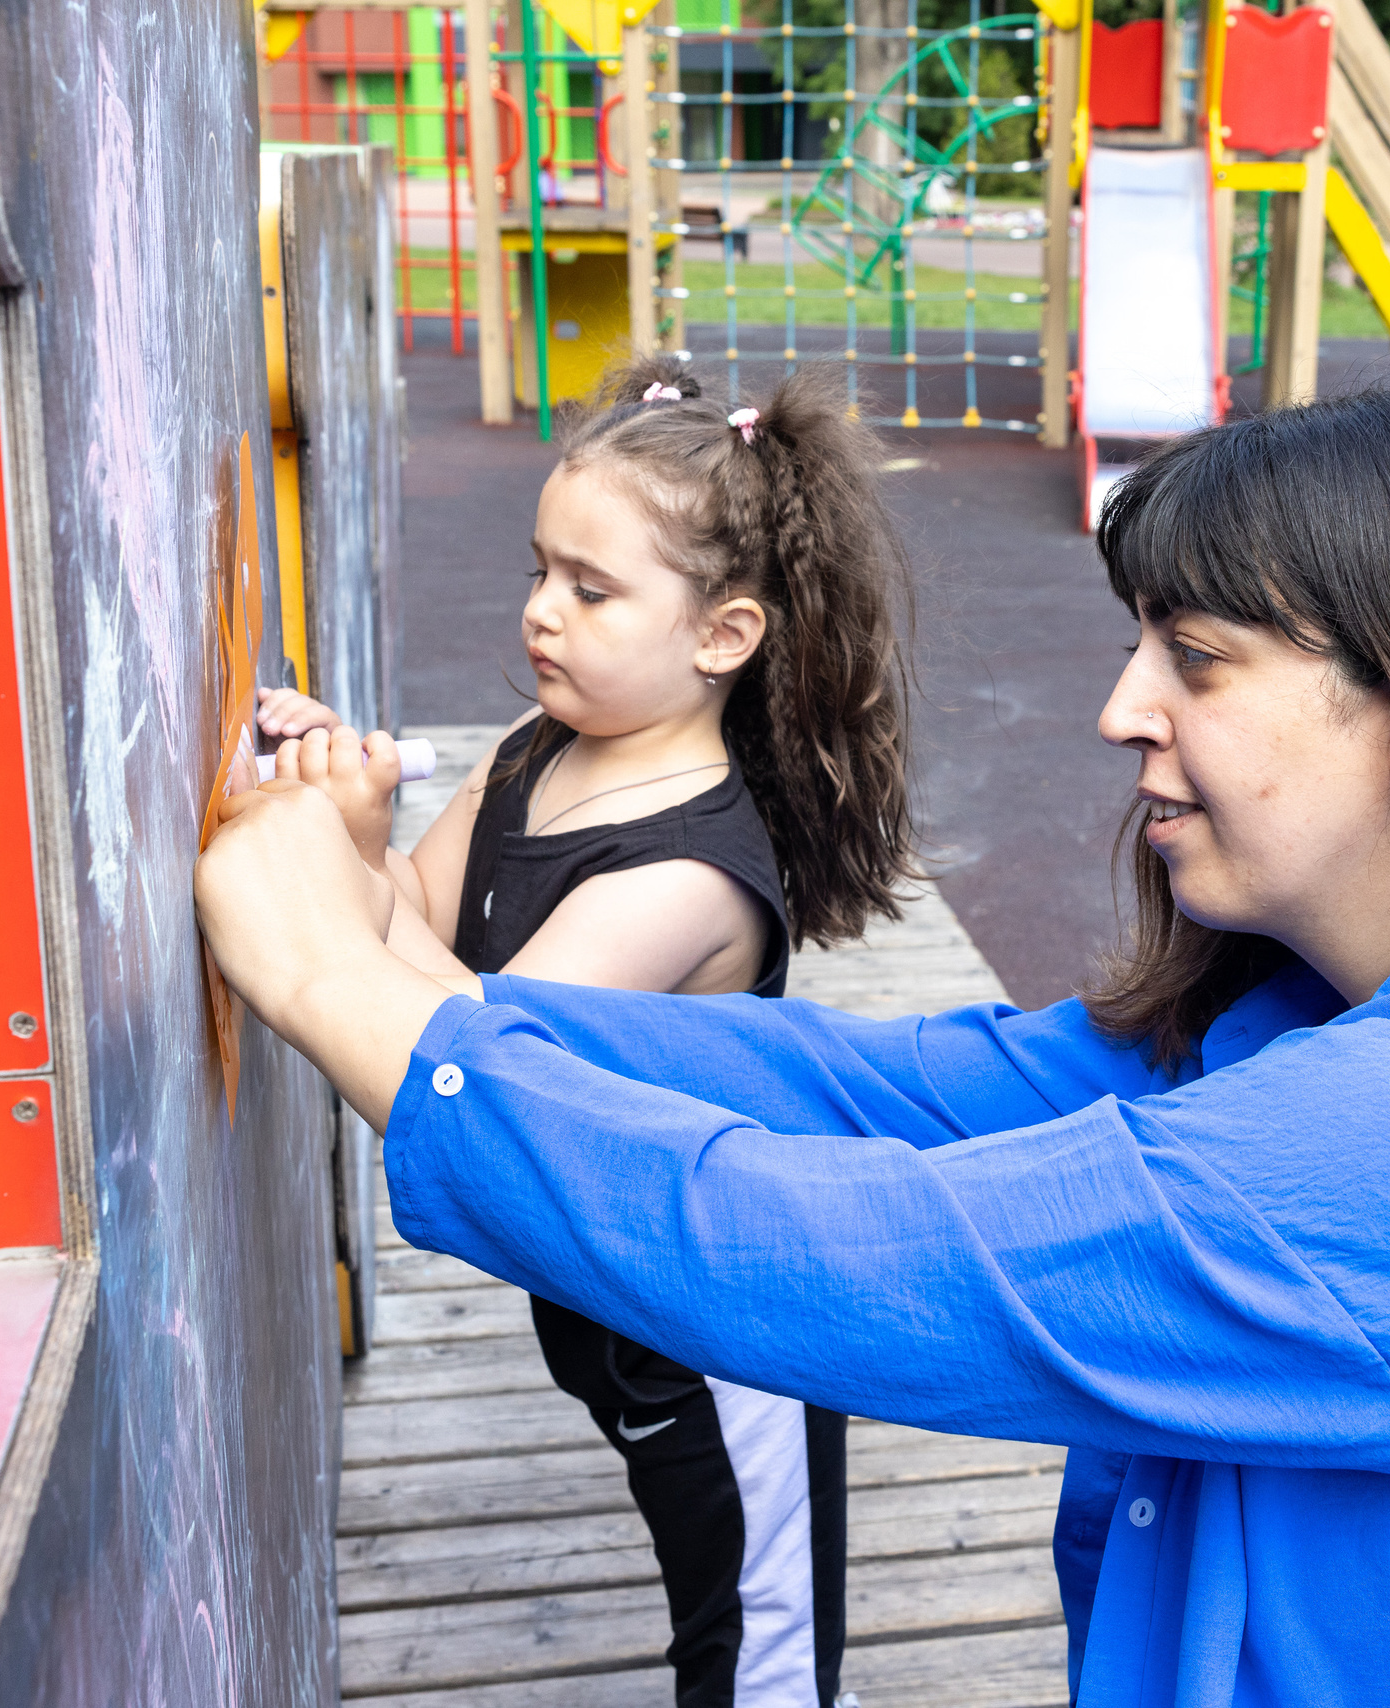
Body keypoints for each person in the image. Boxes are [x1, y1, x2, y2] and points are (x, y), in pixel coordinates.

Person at [197, 392, 1390, 1706]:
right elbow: (883, 1089)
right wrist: (411, 967)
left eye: (1194, 655)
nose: (1125, 706)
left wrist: (345, 995)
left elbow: (854, 1264)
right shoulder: (1347, 1014)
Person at [258, 357, 918, 1708]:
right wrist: (341, 816)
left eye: (592, 589)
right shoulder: (535, 748)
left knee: (756, 1669)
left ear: (724, 637)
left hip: (729, 1337)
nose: (542, 614)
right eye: (538, 571)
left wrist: (332, 871)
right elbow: (407, 910)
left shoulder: (679, 882)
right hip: (623, 1312)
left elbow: (468, 1058)